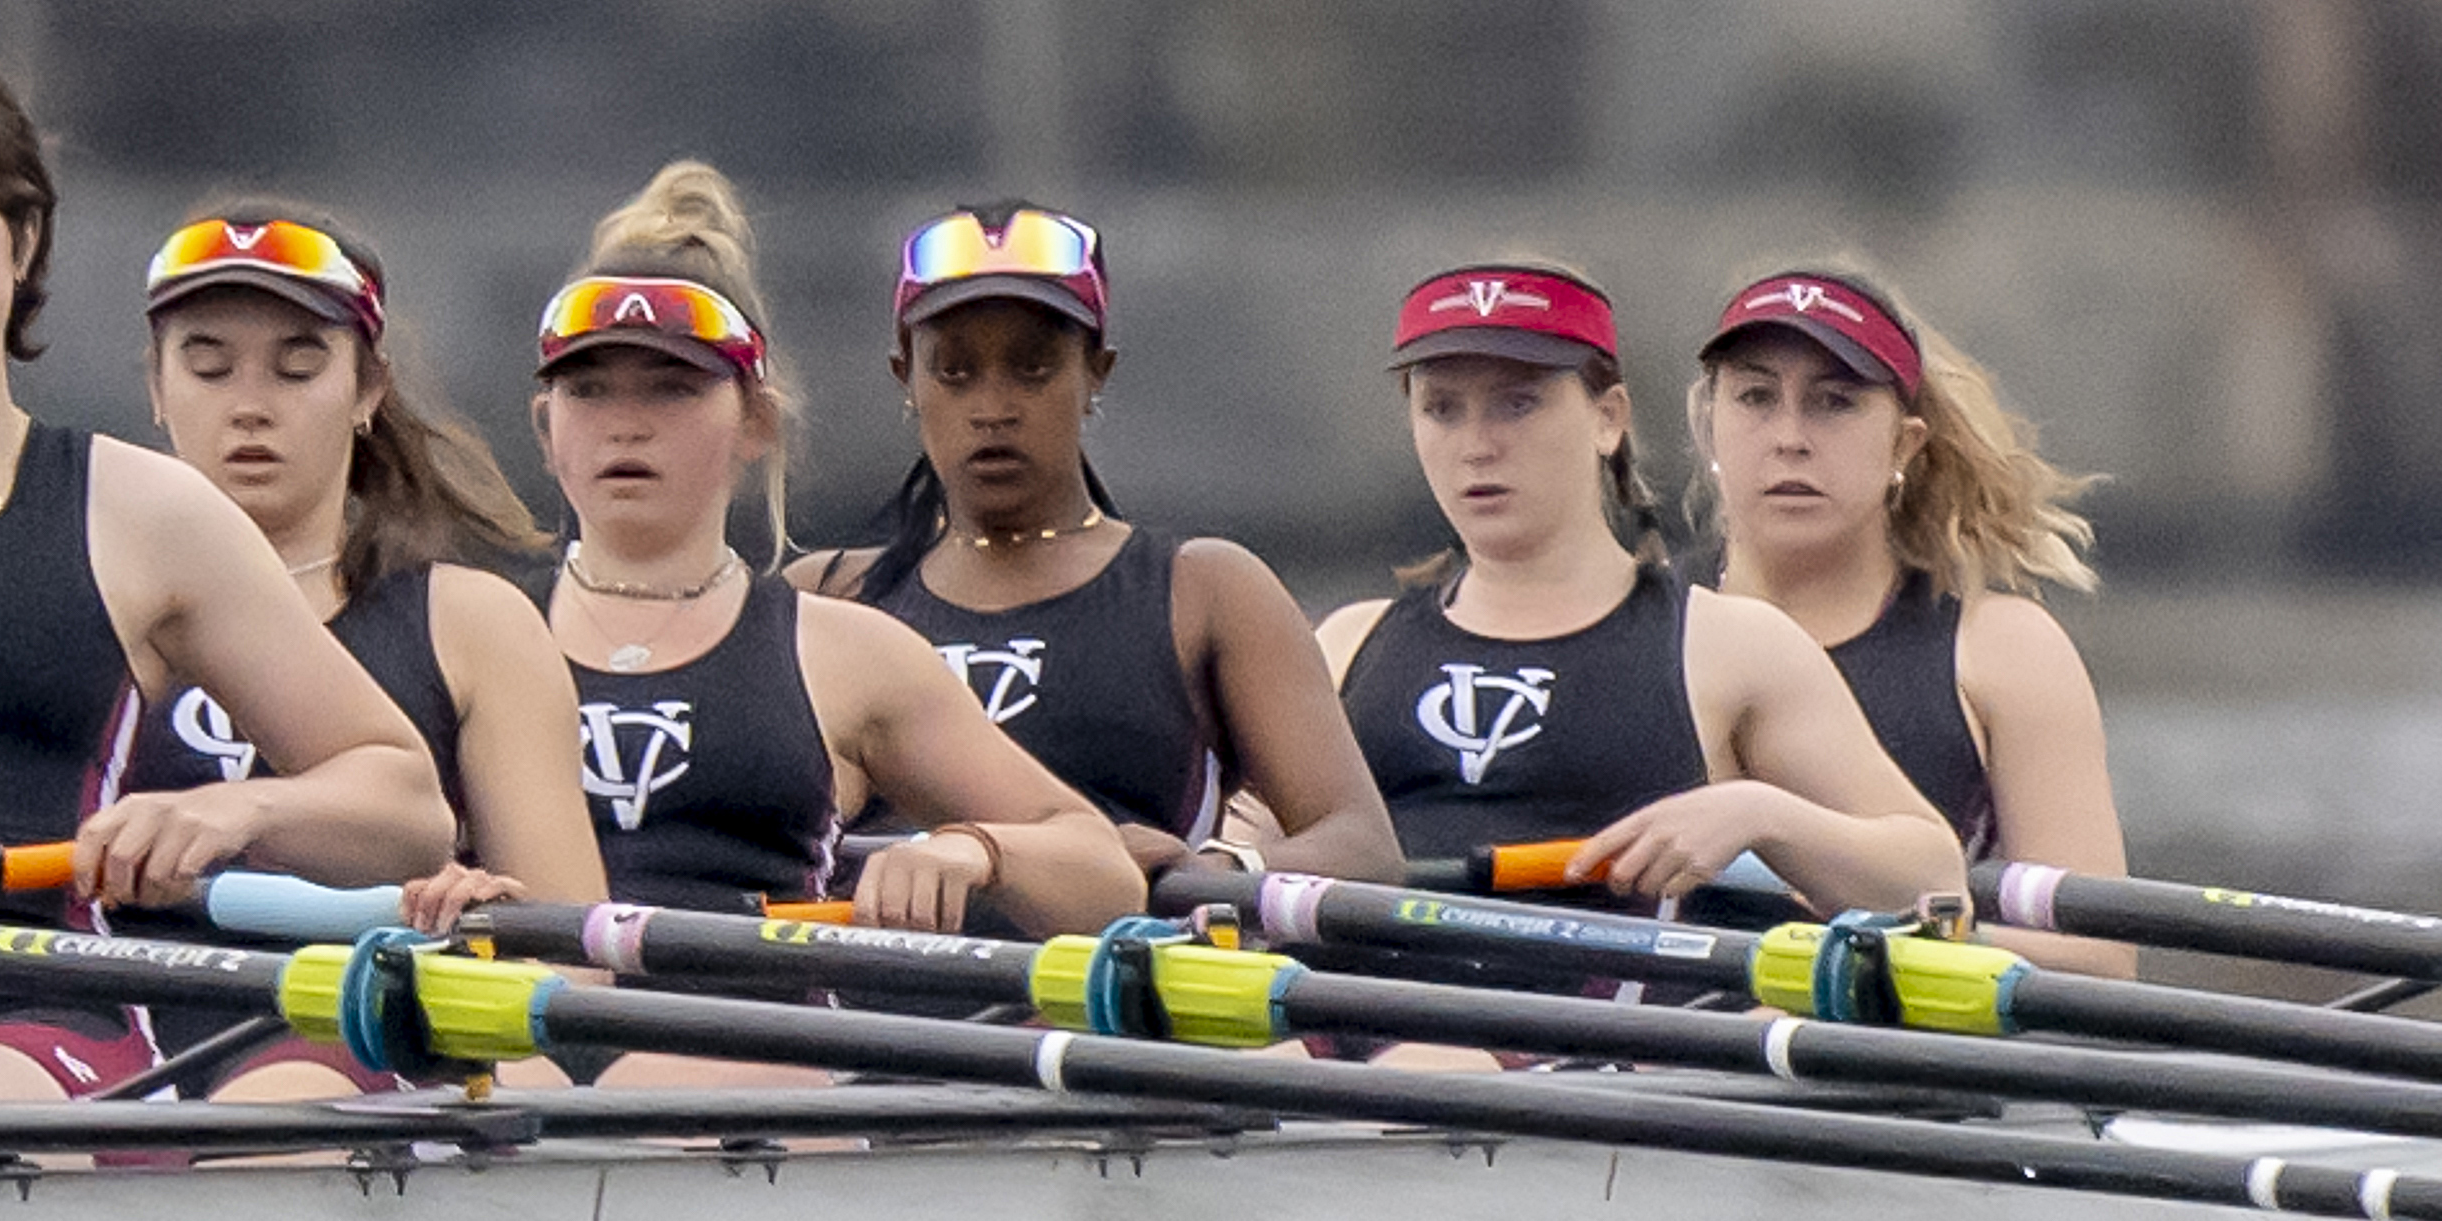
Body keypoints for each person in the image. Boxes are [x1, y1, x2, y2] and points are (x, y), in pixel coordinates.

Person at [0, 38, 454, 1102]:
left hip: (34, 1009)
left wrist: (237, 815)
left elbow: (405, 805)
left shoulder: (144, 514)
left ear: (23, 242)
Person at [530, 162, 1147, 939]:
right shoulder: (465, 628)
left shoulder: (845, 651)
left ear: (757, 421)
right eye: (588, 390)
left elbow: (1105, 876)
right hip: (520, 1047)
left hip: (758, 1044)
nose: (626, 423)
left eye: (672, 387)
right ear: (543, 428)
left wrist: (976, 850)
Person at [130, 203, 611, 1095]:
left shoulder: (473, 625)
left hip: (369, 1044)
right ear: (156, 389)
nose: (249, 405)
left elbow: (575, 962)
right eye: (207, 365)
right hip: (124, 1039)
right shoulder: (98, 608)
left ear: (367, 391)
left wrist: (487, 921)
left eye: (298, 366)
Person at [1313, 261, 1962, 915]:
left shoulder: (1729, 644)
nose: (1477, 445)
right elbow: (1246, 877)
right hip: (1372, 1011)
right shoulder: (1345, 646)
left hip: (1622, 1014)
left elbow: (1934, 878)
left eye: (1518, 402)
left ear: (1608, 418)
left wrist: (1762, 816)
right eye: (1442, 409)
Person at [793, 200, 1399, 886]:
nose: (993, 408)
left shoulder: (1206, 591)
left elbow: (1363, 847)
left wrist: (1222, 866)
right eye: (955, 373)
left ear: (1097, 372)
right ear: (906, 378)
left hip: (1109, 978)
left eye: (1033, 369)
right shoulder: (823, 599)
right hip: (875, 984)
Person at [1689, 262, 2132, 971]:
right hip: (1655, 1059)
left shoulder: (2001, 652)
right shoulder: (1635, 619)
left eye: (1835, 403)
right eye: (1755, 398)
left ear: (1905, 444)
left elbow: (2096, 964)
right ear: (1711, 428)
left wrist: (1863, 949)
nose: (1791, 436)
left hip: (1889, 1058)